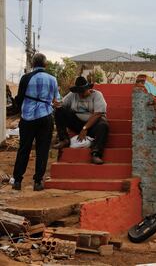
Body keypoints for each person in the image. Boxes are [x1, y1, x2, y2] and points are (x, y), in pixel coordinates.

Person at [12, 53, 60, 191]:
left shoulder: (26, 78)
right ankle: (38, 182)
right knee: (42, 150)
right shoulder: (53, 79)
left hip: (27, 118)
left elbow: (20, 98)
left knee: (24, 149)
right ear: (45, 64)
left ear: (33, 64)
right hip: (45, 117)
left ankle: (17, 181)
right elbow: (56, 100)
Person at [53, 76, 109, 165]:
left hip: (93, 125)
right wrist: (57, 104)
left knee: (103, 125)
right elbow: (62, 105)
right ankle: (64, 139)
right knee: (59, 111)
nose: (81, 94)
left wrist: (85, 128)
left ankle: (96, 153)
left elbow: (98, 114)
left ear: (88, 89)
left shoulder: (97, 95)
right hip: (77, 123)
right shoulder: (73, 95)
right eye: (79, 92)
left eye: (83, 92)